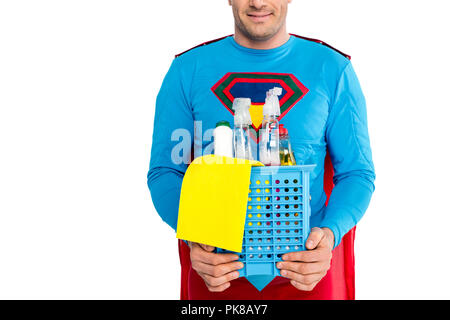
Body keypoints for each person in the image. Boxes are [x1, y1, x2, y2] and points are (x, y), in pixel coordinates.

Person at [147, 0, 375, 300]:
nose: (257, 2)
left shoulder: (332, 69)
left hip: (306, 273)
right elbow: (166, 171)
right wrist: (193, 236)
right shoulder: (188, 70)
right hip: (218, 273)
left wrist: (329, 235)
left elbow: (357, 173)